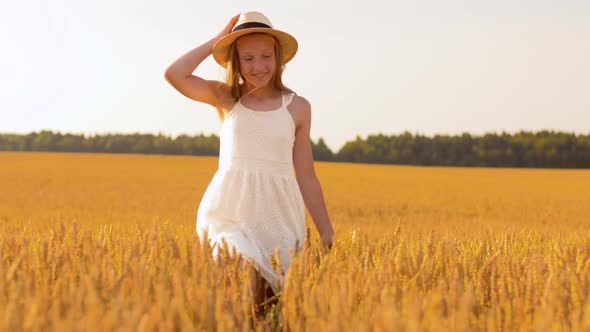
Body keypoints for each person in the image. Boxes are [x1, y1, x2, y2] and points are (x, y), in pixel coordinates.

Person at [164, 11, 335, 311]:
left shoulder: (297, 108)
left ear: (279, 58)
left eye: (266, 56)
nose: (258, 66)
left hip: (278, 215)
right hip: (230, 212)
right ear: (236, 62)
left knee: (267, 306)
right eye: (248, 58)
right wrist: (215, 42)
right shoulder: (225, 97)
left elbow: (306, 175)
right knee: (242, 277)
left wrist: (325, 230)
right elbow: (175, 74)